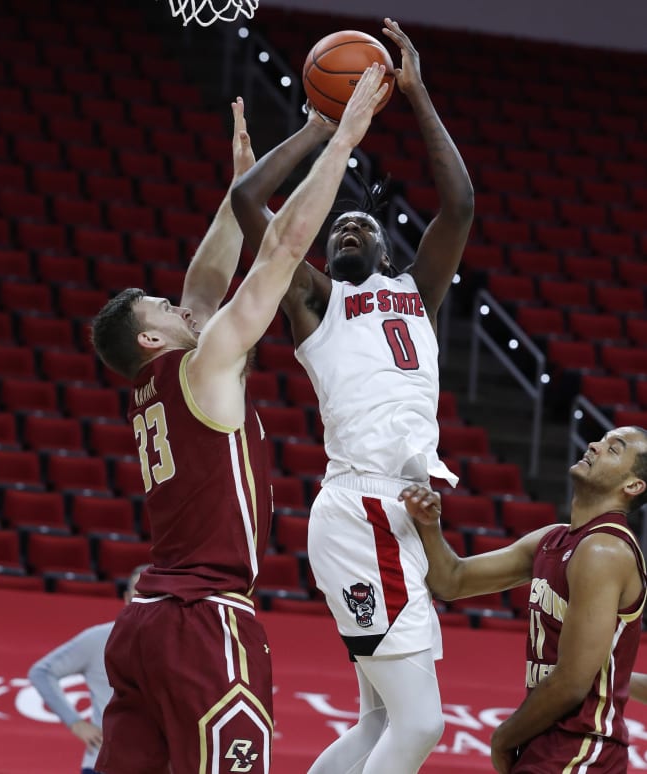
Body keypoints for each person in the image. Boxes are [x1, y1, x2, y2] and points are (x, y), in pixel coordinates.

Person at [90, 71, 390, 774]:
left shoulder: (153, 386)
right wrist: (342, 139)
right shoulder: (204, 366)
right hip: (206, 622)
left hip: (143, 624)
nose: (182, 305)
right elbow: (280, 255)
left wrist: (240, 190)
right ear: (151, 340)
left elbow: (203, 280)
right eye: (163, 309)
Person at [231, 17, 474, 774]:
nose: (346, 229)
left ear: (386, 246)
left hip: (398, 516)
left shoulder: (417, 292)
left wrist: (419, 96)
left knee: (379, 722)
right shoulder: (317, 302)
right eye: (335, 227)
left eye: (360, 224)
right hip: (361, 510)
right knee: (422, 724)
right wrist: (322, 126)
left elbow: (459, 205)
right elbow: (247, 201)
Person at [400, 425, 647, 773]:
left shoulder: (605, 550)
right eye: (601, 440)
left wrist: (503, 738)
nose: (594, 445)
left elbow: (571, 683)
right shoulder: (554, 539)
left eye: (614, 448)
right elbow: (452, 581)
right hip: (551, 744)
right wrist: (429, 525)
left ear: (632, 486)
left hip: (582, 751)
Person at [28, 566, 149, 774]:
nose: (145, 599)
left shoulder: (178, 644)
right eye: (140, 591)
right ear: (127, 596)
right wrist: (75, 723)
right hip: (103, 763)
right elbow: (42, 672)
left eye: (153, 593)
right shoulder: (99, 638)